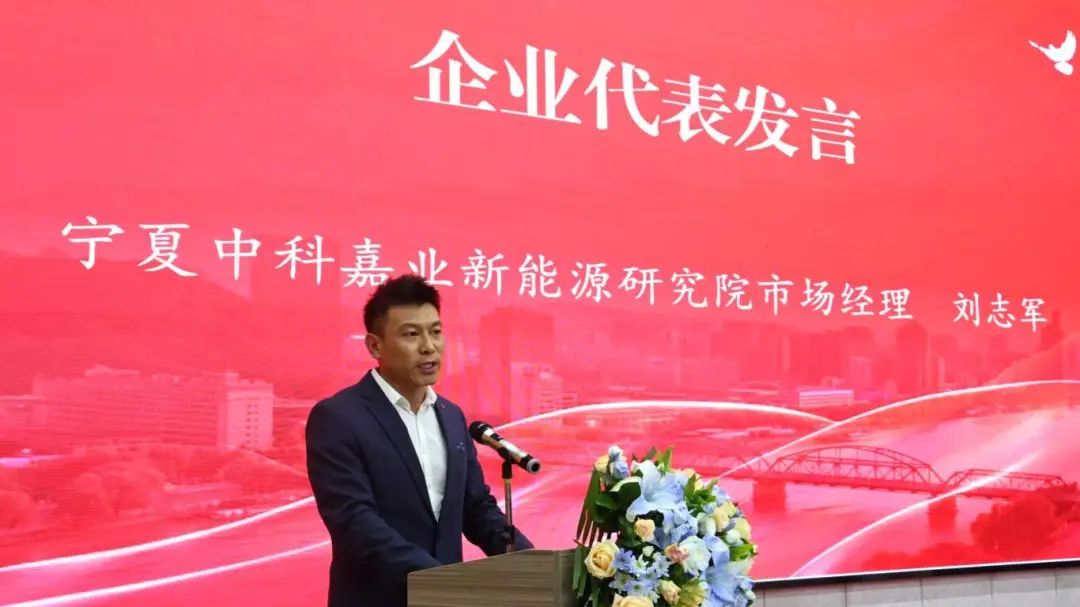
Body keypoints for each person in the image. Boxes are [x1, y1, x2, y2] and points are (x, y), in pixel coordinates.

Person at [305, 274, 532, 607]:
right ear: (375, 346)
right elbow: (356, 525)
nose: (429, 346)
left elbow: (476, 508)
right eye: (411, 334)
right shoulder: (339, 418)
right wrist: (442, 582)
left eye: (436, 331)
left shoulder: (452, 417)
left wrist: (534, 564)